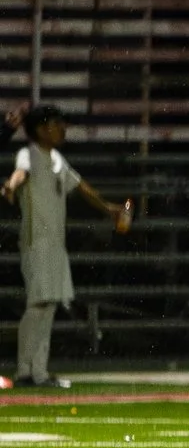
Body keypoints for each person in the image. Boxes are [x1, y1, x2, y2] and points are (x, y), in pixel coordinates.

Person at [3, 103, 132, 391]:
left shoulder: (57, 160)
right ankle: (26, 371)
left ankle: (38, 371)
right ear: (40, 128)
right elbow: (20, 174)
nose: (62, 129)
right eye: (56, 123)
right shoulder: (28, 153)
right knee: (38, 304)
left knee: (47, 306)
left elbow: (82, 187)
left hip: (55, 244)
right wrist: (10, 187)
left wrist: (110, 209)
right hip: (36, 242)